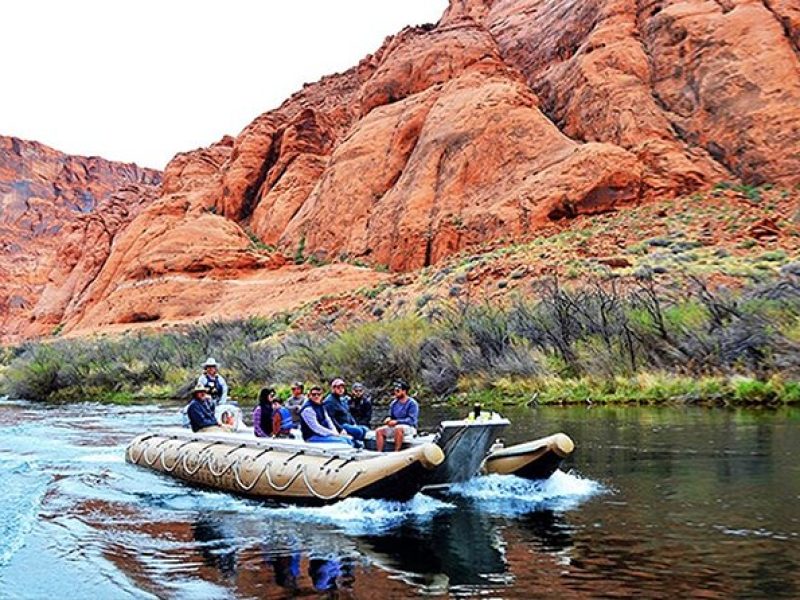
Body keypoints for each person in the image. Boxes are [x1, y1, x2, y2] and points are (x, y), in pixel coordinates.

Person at [375, 380, 419, 452]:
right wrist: (388, 419)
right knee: (379, 431)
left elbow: (412, 420)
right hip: (395, 426)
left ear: (404, 391)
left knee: (398, 428)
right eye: (395, 391)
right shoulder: (394, 403)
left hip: (410, 427)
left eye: (398, 391)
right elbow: (391, 416)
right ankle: (379, 452)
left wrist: (397, 422)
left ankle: (396, 451)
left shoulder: (412, 403)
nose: (395, 393)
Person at [324, 378, 368, 445]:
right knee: (358, 431)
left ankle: (360, 444)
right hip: (340, 425)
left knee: (365, 429)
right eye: (338, 388)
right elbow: (330, 418)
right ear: (333, 389)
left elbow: (348, 413)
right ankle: (355, 444)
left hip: (347, 423)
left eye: (342, 387)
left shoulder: (342, 400)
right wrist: (340, 429)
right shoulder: (330, 401)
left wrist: (354, 423)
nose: (341, 389)